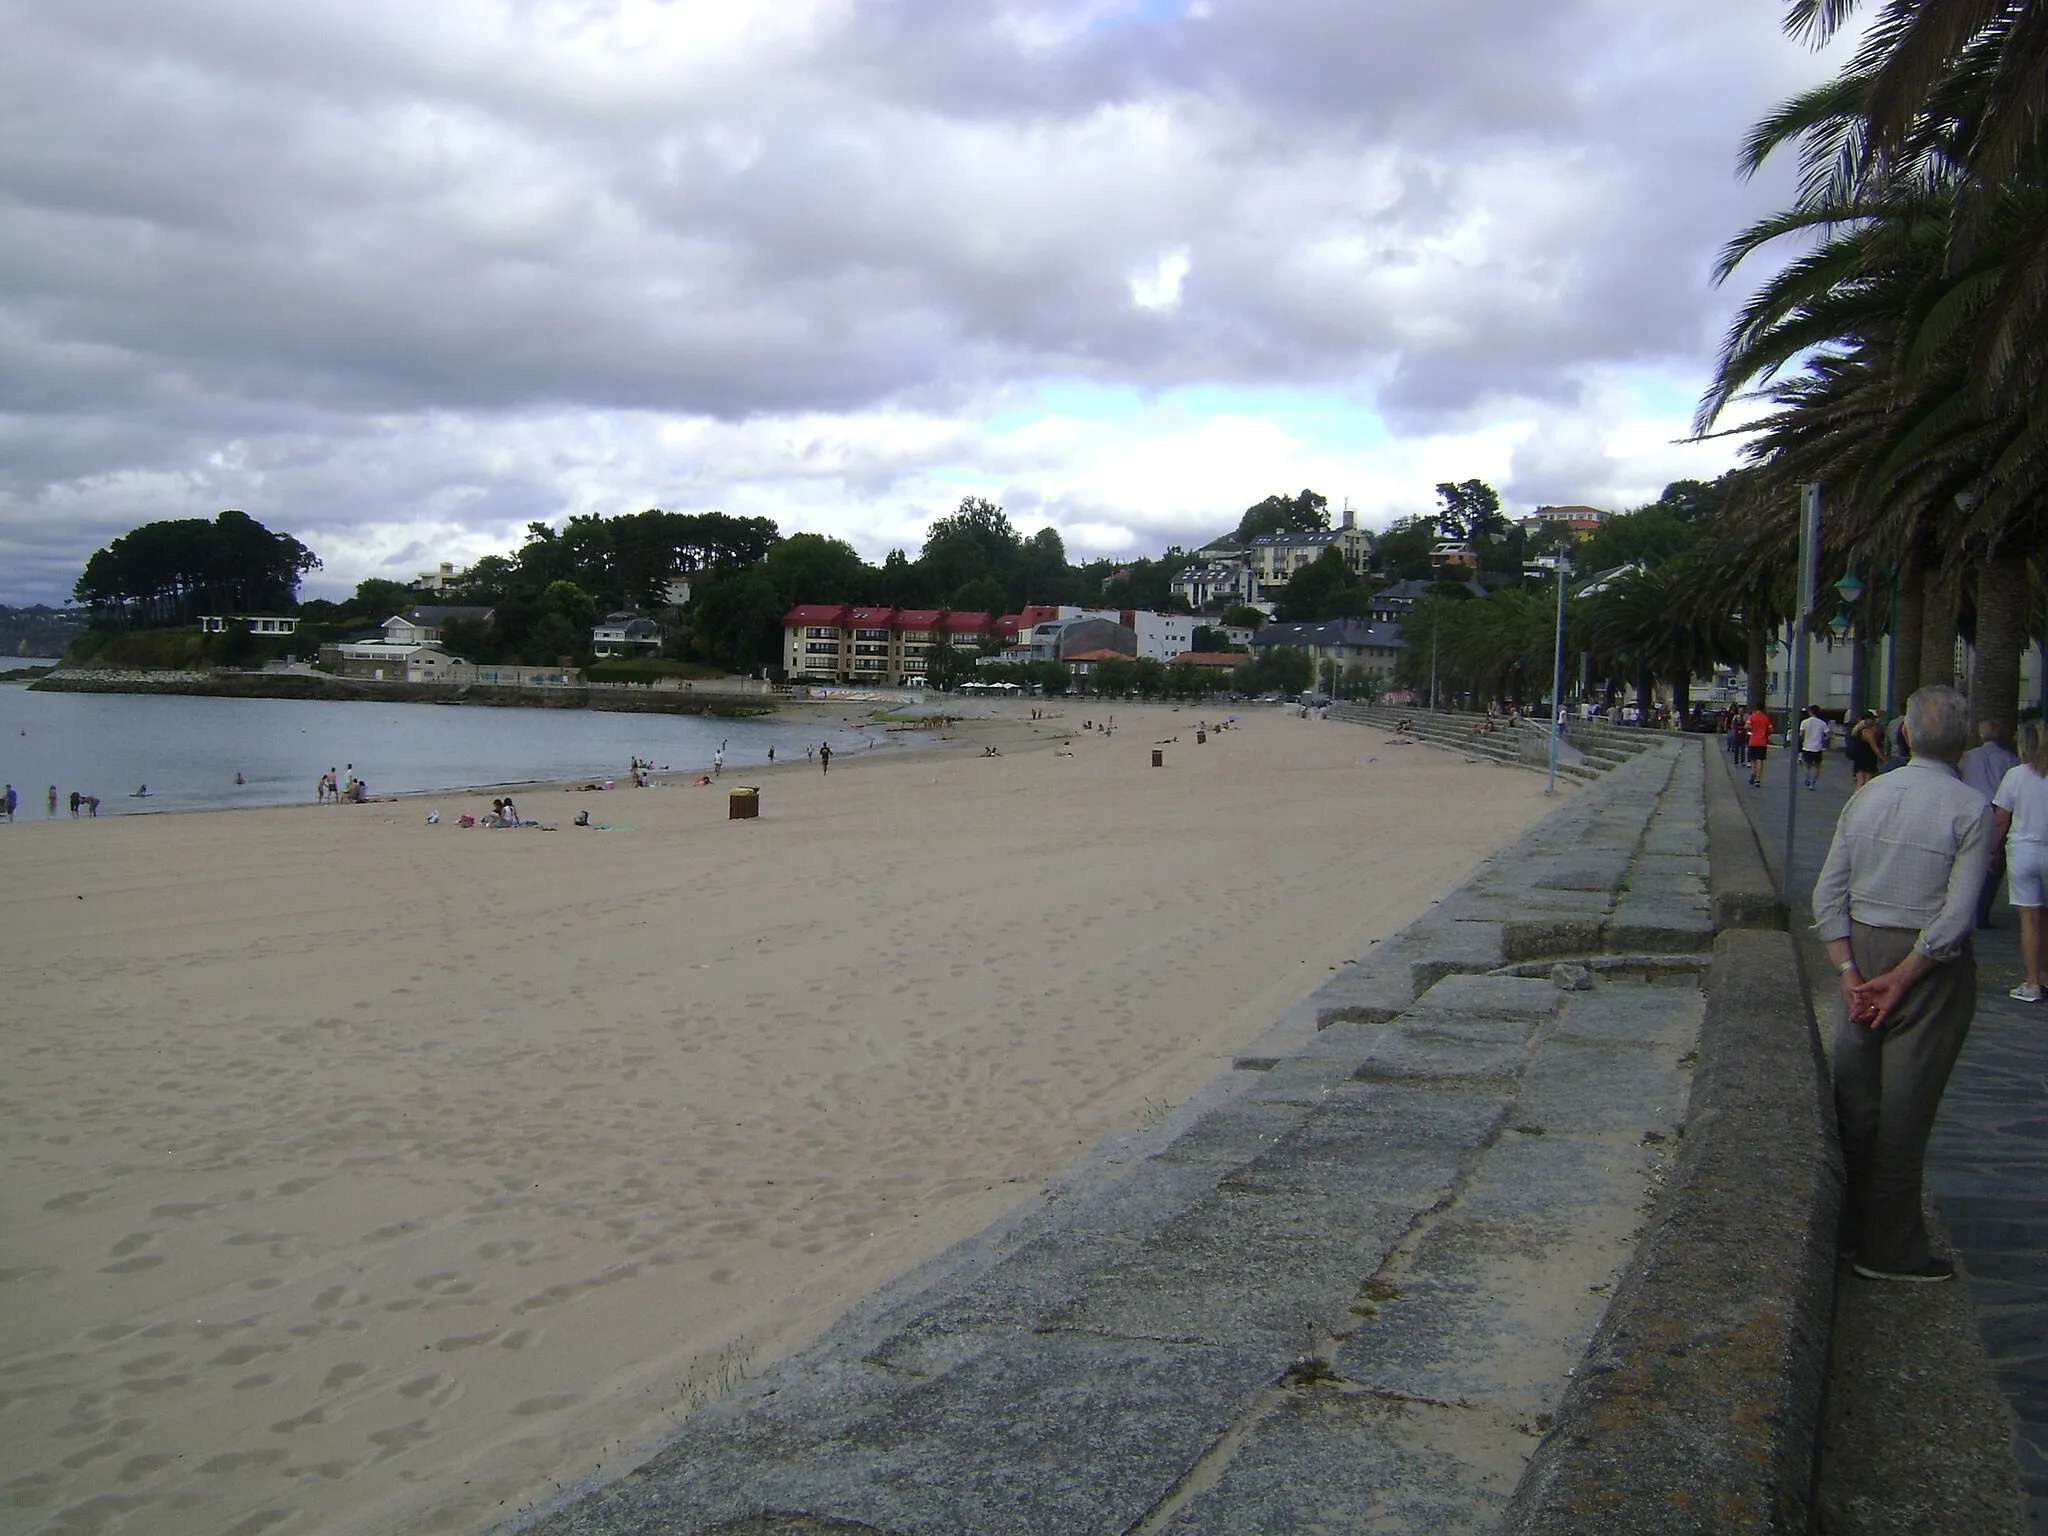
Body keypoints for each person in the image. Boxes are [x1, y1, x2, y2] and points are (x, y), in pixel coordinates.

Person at [1812, 684, 1991, 1283]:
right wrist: (1903, 977)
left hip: (1861, 953)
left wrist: (1850, 973)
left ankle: (1844, 1230)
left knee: (1857, 1106)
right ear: (1963, 741)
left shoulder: (1866, 798)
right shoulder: (1971, 810)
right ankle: (1890, 1249)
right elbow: (1956, 918)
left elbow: (1826, 894)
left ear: (1906, 734)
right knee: (1905, 1114)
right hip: (1925, 971)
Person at [1990, 720, 2048, 1003]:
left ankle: (2033, 983)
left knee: (2030, 920)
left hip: (2023, 851)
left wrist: (1991, 851)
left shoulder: (2015, 775)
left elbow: (2000, 818)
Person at [1959, 718, 2019, 929]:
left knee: (1968, 857)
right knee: (1993, 865)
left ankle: (1965, 908)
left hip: (1972, 807)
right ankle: (1982, 912)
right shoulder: (2010, 759)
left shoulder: (1967, 758)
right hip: (1998, 809)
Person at [1845, 711, 1883, 789]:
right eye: (1873, 719)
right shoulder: (1867, 731)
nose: (1874, 721)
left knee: (1860, 781)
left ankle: (1855, 798)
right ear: (1867, 720)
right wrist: (1882, 758)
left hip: (1858, 758)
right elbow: (1874, 746)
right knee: (1867, 781)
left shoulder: (1855, 730)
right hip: (1868, 758)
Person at [1798, 705, 1829, 790]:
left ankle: (1807, 773)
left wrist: (1802, 740)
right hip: (1817, 747)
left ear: (1810, 712)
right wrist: (1823, 740)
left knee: (1806, 763)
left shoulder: (1804, 722)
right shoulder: (1822, 723)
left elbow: (1801, 734)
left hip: (1806, 746)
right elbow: (1828, 735)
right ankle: (1812, 783)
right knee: (1816, 766)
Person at [1745, 704, 1774, 789]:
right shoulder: (1766, 718)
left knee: (1753, 759)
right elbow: (1771, 729)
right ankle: (1758, 780)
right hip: (1762, 742)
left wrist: (1751, 730)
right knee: (1760, 760)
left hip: (1753, 741)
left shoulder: (1752, 717)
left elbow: (1747, 726)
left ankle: (1754, 772)